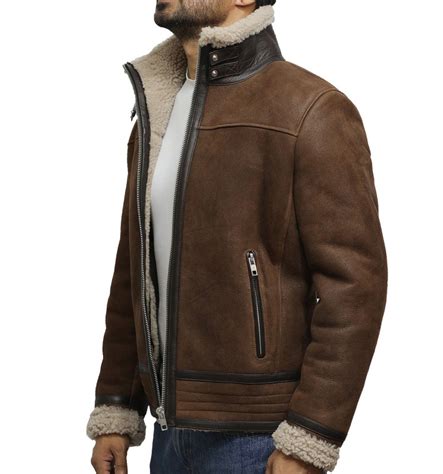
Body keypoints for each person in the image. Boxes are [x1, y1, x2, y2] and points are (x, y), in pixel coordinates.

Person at [86, 0, 388, 472]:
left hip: (260, 438)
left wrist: (310, 435)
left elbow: (354, 285)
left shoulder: (310, 108)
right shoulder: (157, 111)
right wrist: (117, 408)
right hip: (169, 436)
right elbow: (136, 269)